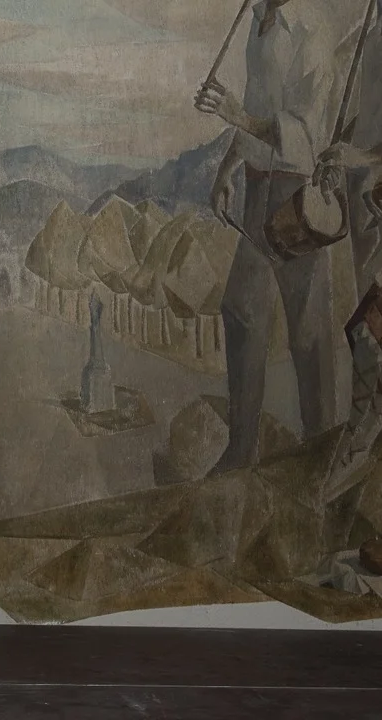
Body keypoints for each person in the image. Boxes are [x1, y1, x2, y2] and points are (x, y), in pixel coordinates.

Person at [194, 0, 360, 473]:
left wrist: (235, 116)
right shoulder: (258, 19)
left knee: (309, 333)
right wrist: (227, 168)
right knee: (242, 312)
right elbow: (256, 106)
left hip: (297, 198)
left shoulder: (312, 28)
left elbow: (304, 136)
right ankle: (241, 451)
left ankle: (320, 454)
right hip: (256, 188)